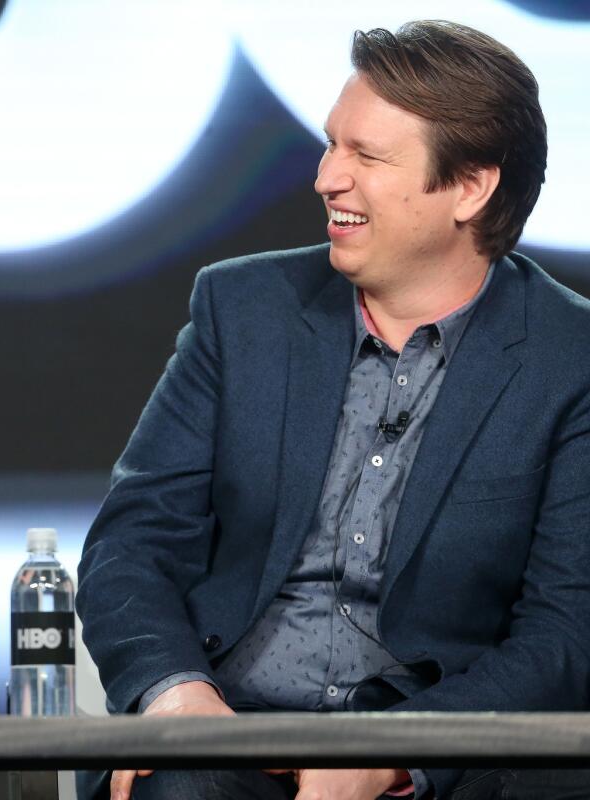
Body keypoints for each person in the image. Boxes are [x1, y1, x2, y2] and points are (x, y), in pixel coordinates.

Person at [77, 20, 590, 800]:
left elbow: (565, 634)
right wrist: (178, 695)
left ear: (471, 187)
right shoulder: (242, 308)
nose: (327, 178)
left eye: (367, 156)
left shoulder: (569, 357)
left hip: (442, 753)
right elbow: (134, 543)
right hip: (232, 730)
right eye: (331, 144)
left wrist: (390, 754)